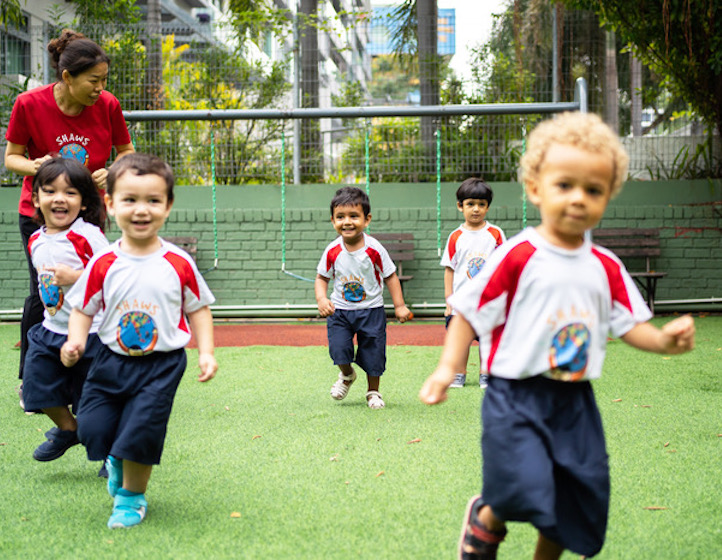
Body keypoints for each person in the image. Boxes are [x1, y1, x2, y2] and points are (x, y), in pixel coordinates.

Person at [419, 112, 695, 560]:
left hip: (574, 400)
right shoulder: (518, 254)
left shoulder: (604, 267)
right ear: (535, 188)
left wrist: (664, 341)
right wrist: (448, 366)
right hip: (514, 393)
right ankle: (486, 519)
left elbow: (631, 324)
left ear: (608, 197)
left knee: (575, 498)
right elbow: (467, 312)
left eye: (593, 189)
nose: (578, 198)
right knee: (517, 486)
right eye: (564, 185)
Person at [60, 153, 217, 529]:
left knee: (142, 431)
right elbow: (83, 308)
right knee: (92, 429)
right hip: (109, 362)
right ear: (111, 204)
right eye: (130, 200)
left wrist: (206, 353)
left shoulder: (178, 262)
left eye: (152, 200)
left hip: (161, 365)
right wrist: (75, 342)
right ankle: (115, 458)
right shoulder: (103, 262)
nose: (141, 210)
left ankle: (131, 498)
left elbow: (199, 309)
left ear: (168, 206)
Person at [4, 28, 134, 410]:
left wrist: (111, 171)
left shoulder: (107, 105)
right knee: (43, 293)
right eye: (94, 81)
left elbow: (127, 152)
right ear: (67, 78)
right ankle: (33, 375)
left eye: (104, 81)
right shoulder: (29, 104)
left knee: (95, 281)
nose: (100, 89)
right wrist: (34, 166)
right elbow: (10, 157)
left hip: (90, 212)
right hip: (39, 213)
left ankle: (94, 368)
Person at [22, 158, 108, 463]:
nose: (60, 198)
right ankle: (69, 430)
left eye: (70, 193)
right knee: (35, 389)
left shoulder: (87, 236)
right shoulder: (35, 239)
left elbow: (113, 275)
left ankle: (110, 458)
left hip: (92, 333)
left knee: (94, 405)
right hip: (51, 330)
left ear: (83, 203)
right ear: (36, 198)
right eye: (50, 191)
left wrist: (77, 278)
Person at [315, 186, 412, 409]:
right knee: (339, 350)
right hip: (340, 311)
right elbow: (322, 277)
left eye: (353, 216)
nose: (347, 222)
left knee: (373, 354)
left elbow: (390, 276)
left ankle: (373, 392)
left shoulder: (374, 249)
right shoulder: (332, 250)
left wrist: (399, 305)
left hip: (372, 311)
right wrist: (322, 299)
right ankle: (347, 375)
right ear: (333, 221)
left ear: (366, 220)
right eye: (340, 217)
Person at [440, 178, 505, 388]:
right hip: (462, 303)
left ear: (487, 207)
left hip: (489, 301)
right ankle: (459, 374)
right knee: (461, 340)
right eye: (470, 204)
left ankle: (486, 374)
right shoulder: (456, 236)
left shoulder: (495, 234)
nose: (476, 209)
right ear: (460, 206)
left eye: (481, 204)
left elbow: (502, 266)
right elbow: (449, 270)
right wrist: (449, 301)